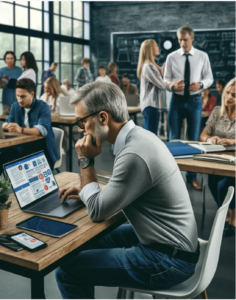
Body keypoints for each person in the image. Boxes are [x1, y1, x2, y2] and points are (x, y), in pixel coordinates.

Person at [55, 82, 199, 298]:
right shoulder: (140, 137)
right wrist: (87, 191)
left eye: (82, 121)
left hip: (168, 259)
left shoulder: (134, 154)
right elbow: (112, 197)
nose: (80, 129)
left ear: (103, 118)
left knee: (67, 271)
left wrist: (85, 160)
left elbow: (96, 212)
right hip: (168, 243)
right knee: (81, 243)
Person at [164, 26, 213, 190]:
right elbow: (166, 81)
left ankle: (191, 177)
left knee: (193, 139)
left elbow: (209, 78)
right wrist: (172, 86)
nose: (182, 43)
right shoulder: (171, 57)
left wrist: (201, 84)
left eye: (185, 39)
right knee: (174, 139)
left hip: (195, 101)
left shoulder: (202, 56)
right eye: (179, 39)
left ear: (192, 39)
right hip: (176, 101)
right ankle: (173, 176)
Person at [0, 78, 59, 178]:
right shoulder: (15, 106)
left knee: (27, 175)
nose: (19, 99)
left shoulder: (42, 106)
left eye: (23, 96)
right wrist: (5, 125)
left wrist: (21, 130)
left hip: (41, 149)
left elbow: (42, 130)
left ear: (32, 94)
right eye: (17, 96)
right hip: (20, 147)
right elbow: (8, 121)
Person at [200, 78, 235, 236]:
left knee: (224, 186)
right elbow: (203, 134)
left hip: (234, 163)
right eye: (227, 92)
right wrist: (209, 139)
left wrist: (233, 141)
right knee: (212, 182)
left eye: (234, 95)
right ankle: (226, 213)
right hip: (217, 159)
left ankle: (232, 218)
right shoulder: (217, 111)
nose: (228, 97)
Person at [137, 40, 183, 135]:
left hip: (151, 107)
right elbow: (161, 84)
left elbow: (160, 80)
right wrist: (174, 85)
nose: (158, 47)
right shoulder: (148, 66)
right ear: (150, 49)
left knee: (150, 136)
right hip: (151, 106)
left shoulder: (151, 66)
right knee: (151, 137)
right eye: (156, 46)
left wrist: (163, 69)